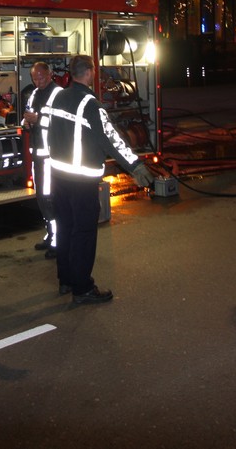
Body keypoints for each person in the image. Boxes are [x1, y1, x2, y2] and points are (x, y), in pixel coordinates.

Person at [42, 55, 155, 305]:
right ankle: (82, 288)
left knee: (65, 228)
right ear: (90, 72)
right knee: (83, 232)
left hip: (59, 176)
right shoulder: (91, 105)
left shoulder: (58, 97)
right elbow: (112, 139)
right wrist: (135, 166)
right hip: (82, 180)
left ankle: (66, 280)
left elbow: (48, 130)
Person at [21, 62, 58, 257]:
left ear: (50, 74)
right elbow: (27, 116)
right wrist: (26, 122)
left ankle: (57, 241)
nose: (38, 81)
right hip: (38, 155)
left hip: (52, 156)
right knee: (42, 197)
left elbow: (62, 123)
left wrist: (38, 120)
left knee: (51, 198)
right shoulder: (34, 94)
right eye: (35, 78)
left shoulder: (58, 95)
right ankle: (51, 234)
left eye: (41, 77)